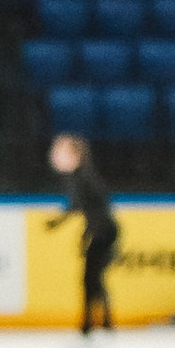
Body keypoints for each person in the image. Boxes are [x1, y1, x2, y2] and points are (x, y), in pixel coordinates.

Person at [46, 132, 118, 334]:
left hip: (103, 231)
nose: (54, 155)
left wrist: (89, 232)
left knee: (90, 277)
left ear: (74, 155)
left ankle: (89, 322)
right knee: (94, 277)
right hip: (101, 230)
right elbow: (85, 206)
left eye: (60, 151)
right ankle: (103, 320)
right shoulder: (79, 176)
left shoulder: (82, 176)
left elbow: (91, 205)